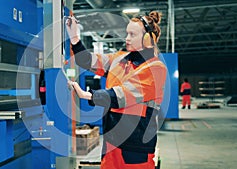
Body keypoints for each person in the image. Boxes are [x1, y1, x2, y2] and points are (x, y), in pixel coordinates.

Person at [66, 11, 166, 169]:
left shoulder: (155, 68)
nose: (127, 38)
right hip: (111, 142)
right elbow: (87, 60)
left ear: (148, 39)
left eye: (132, 34)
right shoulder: (119, 59)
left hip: (135, 146)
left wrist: (89, 95)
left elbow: (122, 95)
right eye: (127, 33)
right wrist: (75, 38)